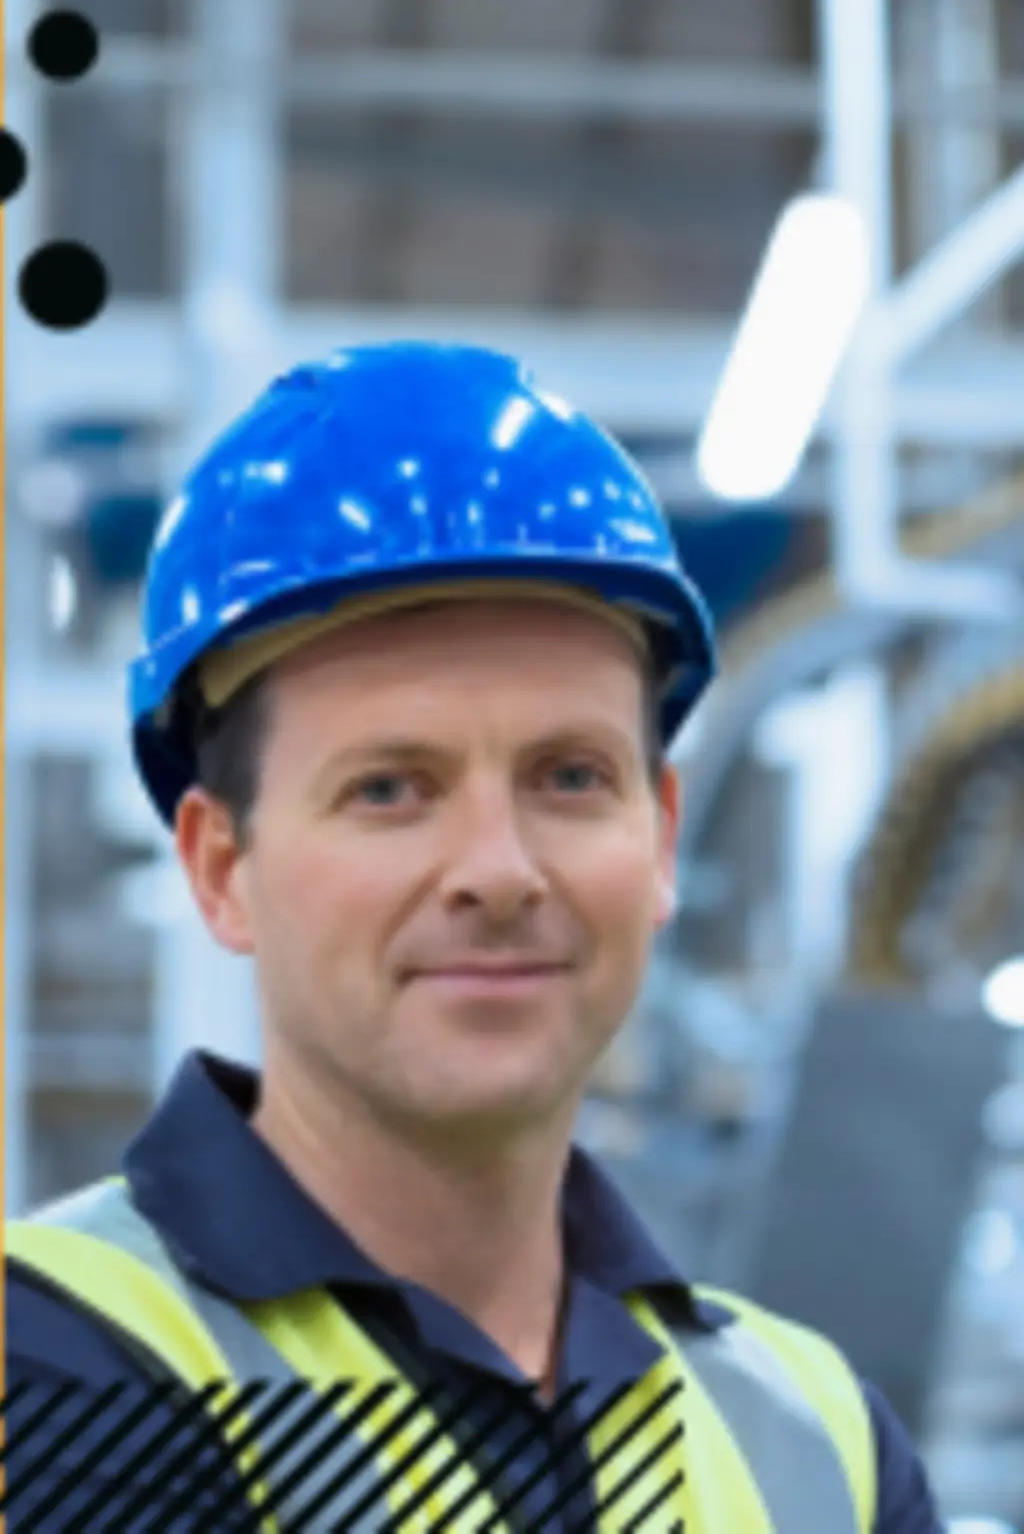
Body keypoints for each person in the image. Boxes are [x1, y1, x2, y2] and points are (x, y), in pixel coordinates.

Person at [7, 343, 943, 1531]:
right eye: (390, 789)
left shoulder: (818, 1446)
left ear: (658, 838)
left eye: (566, 775)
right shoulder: (52, 1363)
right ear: (222, 868)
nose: (498, 871)